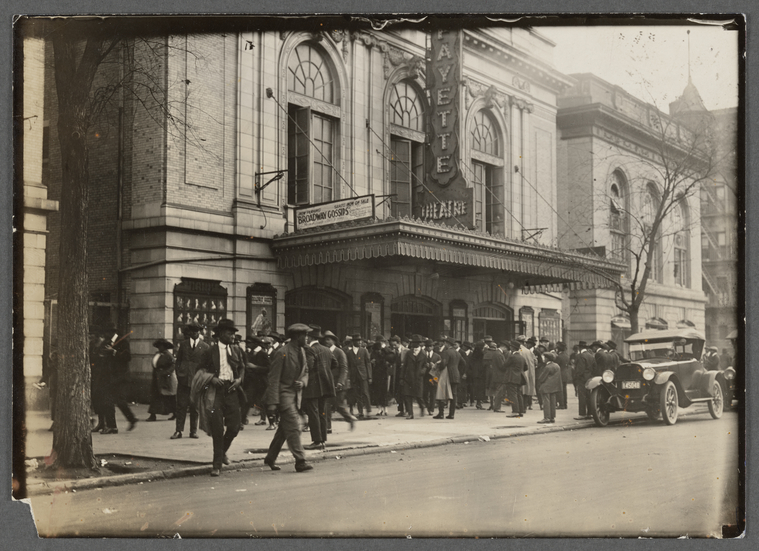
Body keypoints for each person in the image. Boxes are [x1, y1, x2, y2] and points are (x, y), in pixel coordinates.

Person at [194, 319, 247, 477]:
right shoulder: (210, 351)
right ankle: (216, 465)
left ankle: (222, 452)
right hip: (215, 392)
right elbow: (200, 370)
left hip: (232, 390)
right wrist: (211, 378)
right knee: (217, 429)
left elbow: (243, 367)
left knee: (235, 426)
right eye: (230, 333)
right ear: (221, 334)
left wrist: (239, 380)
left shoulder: (237, 350)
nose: (232, 335)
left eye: (233, 333)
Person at [263, 323, 313, 473]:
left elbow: (306, 371)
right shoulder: (282, 352)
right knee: (293, 426)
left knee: (284, 430)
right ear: (297, 337)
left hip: (295, 395)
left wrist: (302, 382)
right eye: (305, 335)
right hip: (283, 395)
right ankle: (300, 461)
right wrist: (272, 403)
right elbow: (273, 379)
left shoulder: (302, 351)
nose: (307, 338)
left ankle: (270, 458)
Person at [302, 325, 337, 451]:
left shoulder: (310, 350)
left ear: (310, 337)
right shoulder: (326, 349)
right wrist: (325, 372)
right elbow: (335, 363)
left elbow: (309, 367)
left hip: (313, 386)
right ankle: (323, 440)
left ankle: (317, 441)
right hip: (326, 385)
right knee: (322, 412)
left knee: (313, 413)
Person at [171, 322, 209, 439]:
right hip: (184, 379)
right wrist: (179, 373)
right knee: (181, 406)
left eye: (196, 331)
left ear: (199, 332)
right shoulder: (183, 345)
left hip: (196, 381)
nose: (193, 333)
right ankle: (178, 430)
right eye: (192, 331)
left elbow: (206, 365)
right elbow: (178, 361)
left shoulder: (205, 347)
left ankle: (193, 431)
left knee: (195, 407)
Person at [100, 323, 139, 433]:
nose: (105, 335)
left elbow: (127, 357)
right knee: (108, 401)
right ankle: (113, 426)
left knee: (120, 401)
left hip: (121, 377)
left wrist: (114, 352)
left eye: (106, 333)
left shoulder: (123, 342)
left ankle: (131, 419)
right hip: (110, 377)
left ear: (112, 332)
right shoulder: (107, 342)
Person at [322, 330, 356, 433]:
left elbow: (344, 368)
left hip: (339, 384)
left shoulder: (339, 352)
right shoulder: (325, 351)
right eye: (325, 340)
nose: (326, 342)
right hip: (328, 384)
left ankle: (350, 418)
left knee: (339, 405)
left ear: (333, 341)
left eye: (328, 339)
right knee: (326, 405)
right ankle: (327, 427)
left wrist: (341, 382)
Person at [147, 338, 177, 422]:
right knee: (155, 395)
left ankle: (175, 413)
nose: (159, 347)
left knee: (167, 396)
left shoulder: (168, 355)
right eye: (158, 346)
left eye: (161, 346)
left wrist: (166, 373)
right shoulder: (157, 354)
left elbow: (173, 365)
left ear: (165, 347)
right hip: (156, 377)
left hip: (164, 378)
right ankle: (153, 415)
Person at [346, 334, 373, 419]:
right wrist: (349, 377)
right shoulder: (349, 353)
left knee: (365, 393)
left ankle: (368, 411)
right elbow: (348, 366)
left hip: (363, 375)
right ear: (353, 342)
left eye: (360, 340)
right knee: (357, 394)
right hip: (354, 376)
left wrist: (369, 377)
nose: (360, 342)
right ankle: (360, 411)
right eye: (358, 341)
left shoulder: (364, 351)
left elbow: (368, 364)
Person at [434, 336, 460, 419]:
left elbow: (443, 363)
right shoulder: (457, 353)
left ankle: (441, 413)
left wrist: (438, 367)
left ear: (447, 343)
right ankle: (451, 414)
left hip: (447, 375)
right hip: (455, 375)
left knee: (442, 393)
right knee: (453, 395)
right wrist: (459, 371)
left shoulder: (446, 352)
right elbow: (463, 363)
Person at [401, 335, 426, 418]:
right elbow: (404, 365)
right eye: (413, 343)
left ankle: (422, 407)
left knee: (419, 396)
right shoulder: (409, 353)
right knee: (407, 396)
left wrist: (423, 371)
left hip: (418, 378)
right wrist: (401, 377)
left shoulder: (423, 353)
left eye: (415, 343)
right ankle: (410, 413)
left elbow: (425, 365)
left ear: (419, 344)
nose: (413, 345)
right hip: (408, 377)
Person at [573, 341, 596, 420]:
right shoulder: (591, 356)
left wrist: (577, 377)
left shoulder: (580, 356)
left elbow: (580, 369)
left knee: (582, 396)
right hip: (589, 378)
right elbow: (594, 367)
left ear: (580, 348)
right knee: (589, 396)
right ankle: (590, 413)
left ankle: (582, 414)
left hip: (582, 379)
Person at [505, 341, 527, 417]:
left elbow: (505, 365)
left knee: (512, 394)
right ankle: (521, 410)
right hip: (520, 378)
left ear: (512, 348)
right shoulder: (522, 357)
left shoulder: (512, 357)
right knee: (519, 394)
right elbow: (525, 367)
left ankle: (515, 411)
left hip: (512, 377)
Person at [489, 341, 510, 413]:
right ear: (503, 347)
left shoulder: (497, 353)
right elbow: (502, 366)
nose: (506, 350)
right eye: (506, 348)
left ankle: (496, 407)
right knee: (499, 392)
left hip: (496, 375)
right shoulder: (499, 354)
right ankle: (497, 407)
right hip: (500, 376)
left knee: (498, 391)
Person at [422, 339, 441, 415]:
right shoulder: (423, 355)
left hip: (434, 376)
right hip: (425, 376)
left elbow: (440, 366)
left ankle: (431, 409)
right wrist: (424, 366)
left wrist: (434, 366)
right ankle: (427, 406)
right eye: (428, 346)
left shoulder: (437, 356)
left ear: (433, 347)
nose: (429, 347)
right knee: (425, 393)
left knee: (433, 393)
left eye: (431, 346)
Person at [555, 342, 571, 410]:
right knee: (564, 390)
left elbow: (556, 366)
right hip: (566, 374)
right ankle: (565, 404)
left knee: (560, 390)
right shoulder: (567, 355)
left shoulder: (559, 357)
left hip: (560, 374)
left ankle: (561, 404)